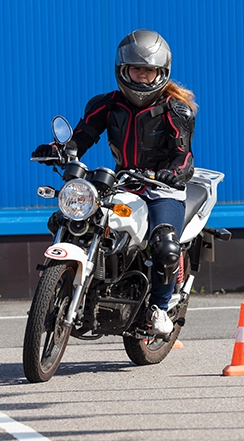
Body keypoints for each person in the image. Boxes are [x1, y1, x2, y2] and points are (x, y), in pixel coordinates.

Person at [33, 29, 196, 335]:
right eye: (136, 69)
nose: (142, 77)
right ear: (123, 70)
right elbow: (81, 138)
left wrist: (172, 172)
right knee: (68, 220)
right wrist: (59, 151)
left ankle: (160, 307)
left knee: (165, 245)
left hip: (162, 188)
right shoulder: (105, 104)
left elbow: (183, 155)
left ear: (161, 72)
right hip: (124, 181)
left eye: (148, 72)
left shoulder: (176, 109)